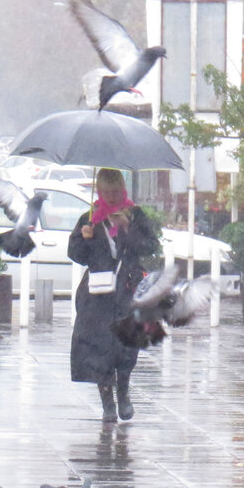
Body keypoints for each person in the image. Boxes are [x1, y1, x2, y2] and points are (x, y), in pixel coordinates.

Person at [67, 168, 160, 421]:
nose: (110, 196)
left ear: (123, 189)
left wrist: (127, 227)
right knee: (99, 346)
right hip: (97, 293)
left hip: (127, 289)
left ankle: (124, 392)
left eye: (115, 192)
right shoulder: (89, 216)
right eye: (106, 192)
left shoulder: (134, 213)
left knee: (126, 344)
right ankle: (107, 402)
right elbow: (76, 254)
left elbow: (152, 246)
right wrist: (84, 238)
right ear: (99, 191)